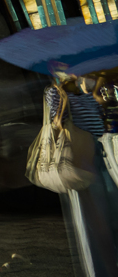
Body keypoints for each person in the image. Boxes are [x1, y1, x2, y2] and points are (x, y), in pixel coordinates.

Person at [47, 72, 118, 277]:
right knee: (95, 223)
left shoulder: (85, 91)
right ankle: (101, 271)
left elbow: (100, 119)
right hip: (80, 160)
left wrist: (97, 91)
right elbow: (58, 123)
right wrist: (62, 93)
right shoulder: (54, 93)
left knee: (113, 212)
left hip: (101, 156)